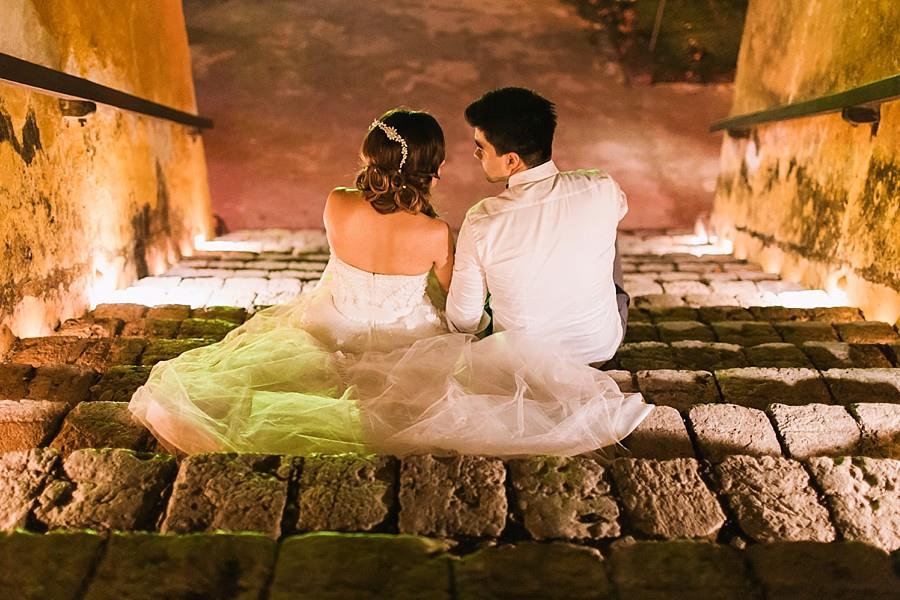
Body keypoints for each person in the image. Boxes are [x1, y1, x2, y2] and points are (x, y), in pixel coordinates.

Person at [129, 109, 650, 458]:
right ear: (431, 167)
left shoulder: (336, 202)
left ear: (370, 155)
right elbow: (458, 304)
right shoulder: (433, 232)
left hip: (332, 325)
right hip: (407, 342)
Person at [447, 87, 630, 365]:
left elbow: (464, 319)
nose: (476, 155)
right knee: (605, 224)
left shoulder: (481, 220)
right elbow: (619, 209)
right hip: (597, 351)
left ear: (511, 159)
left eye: (481, 148)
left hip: (523, 363)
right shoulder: (601, 185)